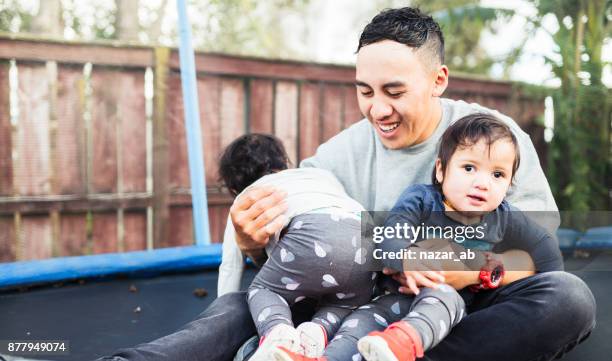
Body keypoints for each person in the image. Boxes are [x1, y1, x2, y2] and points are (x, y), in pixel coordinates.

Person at [97, 7, 595, 361]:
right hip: (363, 310)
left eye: (394, 91)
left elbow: (540, 251)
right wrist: (252, 245)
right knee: (245, 303)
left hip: (465, 308)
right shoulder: (337, 157)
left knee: (567, 300)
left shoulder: (493, 142)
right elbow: (297, 260)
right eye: (365, 91)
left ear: (438, 80)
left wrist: (466, 270)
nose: (378, 109)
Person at [273, 113, 564, 361]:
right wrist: (407, 257)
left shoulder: (504, 215)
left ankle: (403, 344)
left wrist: (484, 270)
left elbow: (549, 255)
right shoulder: (422, 200)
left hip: (451, 304)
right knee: (358, 324)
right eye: (469, 168)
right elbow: (390, 236)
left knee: (442, 298)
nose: (482, 183)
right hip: (395, 296)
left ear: (509, 185)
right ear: (440, 170)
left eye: (497, 175)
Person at [216, 133, 376, 360]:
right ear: (284, 163)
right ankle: (316, 332)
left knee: (263, 290)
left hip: (312, 234)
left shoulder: (244, 200)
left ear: (233, 188)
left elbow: (230, 267)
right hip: (366, 235)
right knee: (345, 305)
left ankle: (278, 334)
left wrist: (225, 309)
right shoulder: (319, 175)